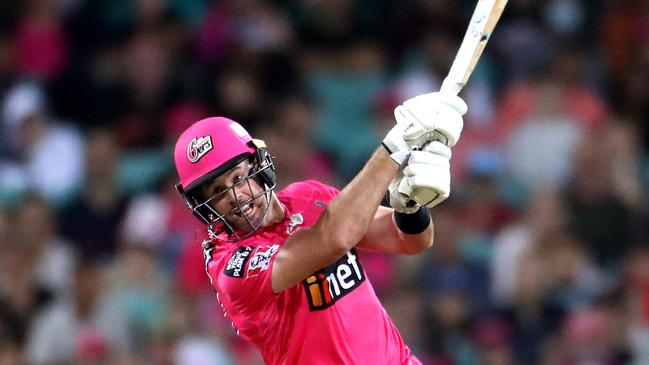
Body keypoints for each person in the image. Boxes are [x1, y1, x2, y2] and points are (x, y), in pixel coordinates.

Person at [172, 92, 467, 364]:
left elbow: (411, 240)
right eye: (218, 192)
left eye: (238, 178)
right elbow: (333, 238)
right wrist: (395, 147)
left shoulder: (309, 197)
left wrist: (409, 204)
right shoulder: (232, 268)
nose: (235, 197)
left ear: (258, 163)